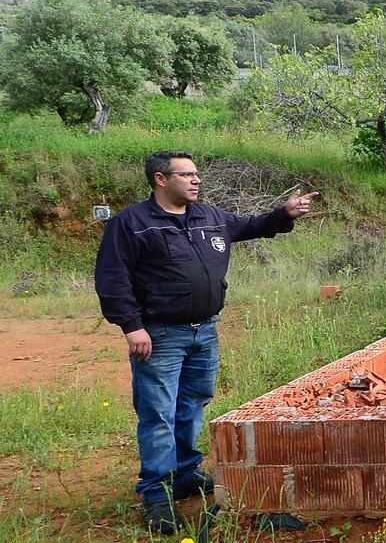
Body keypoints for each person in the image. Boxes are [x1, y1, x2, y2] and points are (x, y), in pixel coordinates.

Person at [94, 151, 319, 533]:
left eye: (197, 174)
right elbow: (112, 278)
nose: (196, 180)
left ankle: (184, 473)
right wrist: (132, 326)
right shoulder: (131, 224)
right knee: (158, 414)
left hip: (205, 330)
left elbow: (252, 225)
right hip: (160, 334)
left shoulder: (209, 217)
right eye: (187, 175)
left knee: (192, 405)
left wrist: (285, 213)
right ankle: (156, 494)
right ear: (161, 180)